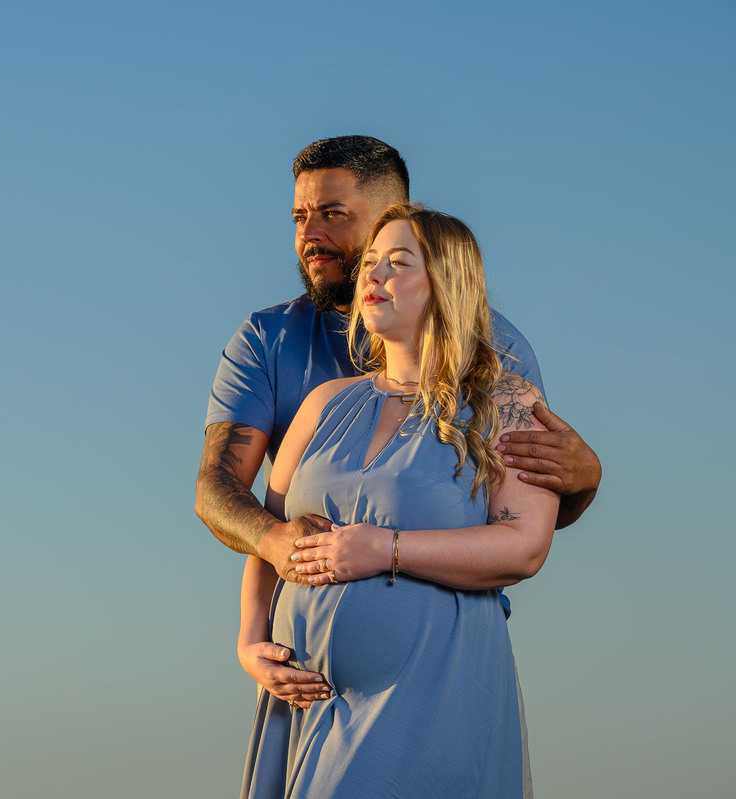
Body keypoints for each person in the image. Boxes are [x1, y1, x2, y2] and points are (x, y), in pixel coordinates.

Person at [195, 136, 601, 710]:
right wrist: (269, 557)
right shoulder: (272, 343)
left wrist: (584, 481)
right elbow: (220, 488)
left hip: (440, 658)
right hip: (303, 681)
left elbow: (524, 516)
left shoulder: (498, 357)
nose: (311, 235)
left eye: (333, 215)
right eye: (300, 217)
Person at [239, 203, 557, 796]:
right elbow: (267, 533)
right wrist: (250, 642)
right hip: (302, 706)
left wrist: (387, 549)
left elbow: (525, 547)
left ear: (445, 284)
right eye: (370, 263)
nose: (372, 275)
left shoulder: (507, 403)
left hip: (429, 693)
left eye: (398, 262)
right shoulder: (325, 403)